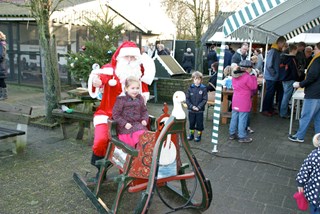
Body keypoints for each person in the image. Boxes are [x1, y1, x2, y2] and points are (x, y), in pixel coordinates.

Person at [88, 41, 155, 180]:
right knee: (101, 140)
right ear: (119, 57)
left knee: (142, 139)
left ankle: (136, 170)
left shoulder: (139, 74)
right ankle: (101, 171)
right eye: (127, 57)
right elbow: (100, 76)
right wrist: (97, 81)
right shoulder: (110, 70)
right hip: (107, 114)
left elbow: (144, 98)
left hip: (132, 119)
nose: (130, 61)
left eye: (133, 57)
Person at [288, 42, 320, 143]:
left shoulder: (317, 60)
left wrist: (301, 84)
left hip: (313, 92)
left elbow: (313, 76)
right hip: (318, 92)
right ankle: (318, 138)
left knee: (306, 115)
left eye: (315, 48)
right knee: (318, 118)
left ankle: (299, 136)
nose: (314, 51)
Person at [112, 76, 149, 149]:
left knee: (145, 134)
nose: (135, 91)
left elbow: (144, 111)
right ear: (126, 88)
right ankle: (137, 152)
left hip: (137, 124)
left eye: (137, 88)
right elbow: (115, 114)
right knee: (138, 134)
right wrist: (124, 123)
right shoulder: (121, 100)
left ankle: (143, 153)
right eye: (132, 88)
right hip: (126, 127)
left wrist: (144, 119)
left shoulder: (140, 98)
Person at [228, 60, 257, 143]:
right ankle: (242, 136)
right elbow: (253, 87)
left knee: (234, 117)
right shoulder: (247, 77)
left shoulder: (235, 75)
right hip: (244, 100)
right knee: (242, 118)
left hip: (236, 99)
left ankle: (232, 133)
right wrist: (254, 77)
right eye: (251, 68)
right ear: (247, 69)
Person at [261, 36, 286, 117]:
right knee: (269, 93)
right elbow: (269, 65)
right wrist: (274, 74)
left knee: (271, 94)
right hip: (271, 77)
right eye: (283, 44)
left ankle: (270, 108)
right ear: (280, 43)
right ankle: (265, 109)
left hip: (274, 77)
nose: (283, 45)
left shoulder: (277, 51)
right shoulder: (273, 51)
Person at [296, 133, 320, 213]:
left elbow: (305, 169)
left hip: (315, 192)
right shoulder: (316, 155)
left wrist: (301, 182)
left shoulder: (315, 155)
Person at [186, 71, 208, 142]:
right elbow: (187, 99)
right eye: (195, 79)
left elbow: (205, 99)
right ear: (193, 79)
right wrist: (191, 106)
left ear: (201, 80)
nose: (197, 81)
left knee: (199, 124)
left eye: (198, 79)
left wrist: (198, 107)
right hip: (191, 110)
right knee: (191, 123)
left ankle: (199, 135)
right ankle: (191, 134)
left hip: (200, 110)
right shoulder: (190, 88)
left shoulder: (203, 88)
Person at [279, 44, 299, 119]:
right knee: (286, 96)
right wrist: (298, 78)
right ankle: (283, 113)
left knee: (285, 95)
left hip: (284, 78)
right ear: (294, 50)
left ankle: (283, 111)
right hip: (290, 79)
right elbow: (295, 70)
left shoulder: (283, 57)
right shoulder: (292, 59)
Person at [0, 31, 8, 101]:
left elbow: (1, 56)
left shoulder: (2, 45)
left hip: (1, 67)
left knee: (1, 80)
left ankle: (4, 95)